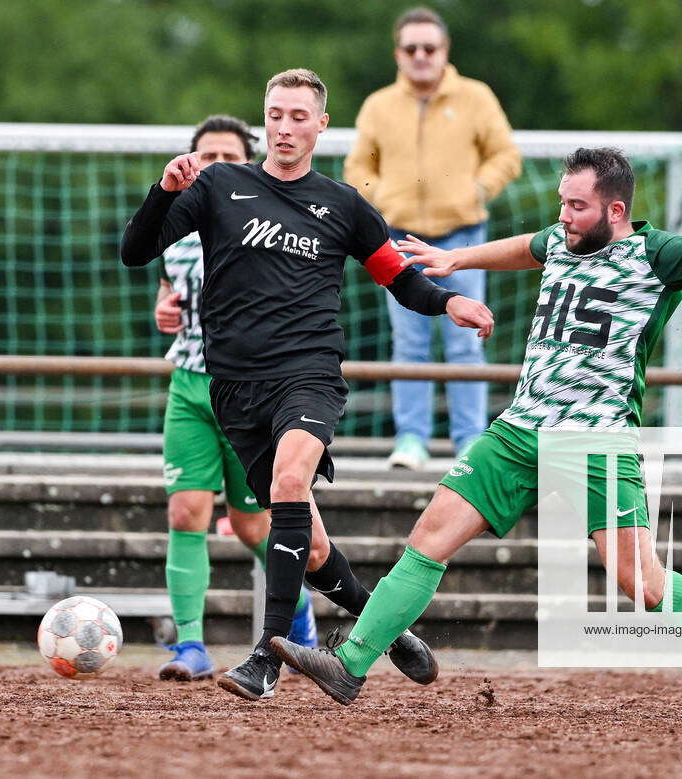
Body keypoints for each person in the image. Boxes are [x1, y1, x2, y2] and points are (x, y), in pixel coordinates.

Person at [271, 148, 682, 715]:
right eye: (561, 203)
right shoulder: (565, 240)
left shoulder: (654, 253)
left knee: (641, 582)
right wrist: (455, 258)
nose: (563, 216)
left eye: (577, 206)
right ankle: (350, 666)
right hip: (519, 431)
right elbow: (526, 248)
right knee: (429, 535)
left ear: (615, 210)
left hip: (595, 440)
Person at [121, 68, 494, 702]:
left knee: (291, 482)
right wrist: (162, 191)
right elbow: (136, 250)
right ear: (263, 119)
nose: (285, 126)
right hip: (234, 386)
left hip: (309, 375)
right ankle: (385, 626)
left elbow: (397, 276)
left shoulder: (342, 203)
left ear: (321, 125)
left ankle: (265, 658)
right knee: (311, 545)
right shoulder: (217, 186)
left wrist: (448, 302)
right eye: (275, 114)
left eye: (299, 116)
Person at [152, 115, 317, 682]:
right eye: (206, 157)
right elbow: (169, 291)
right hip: (190, 388)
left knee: (253, 527)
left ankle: (299, 621)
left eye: (228, 157)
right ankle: (190, 647)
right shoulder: (177, 229)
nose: (215, 166)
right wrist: (164, 310)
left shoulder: (267, 224)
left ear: (247, 163)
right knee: (186, 510)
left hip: (251, 392)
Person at [344, 6, 521, 470]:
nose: (421, 56)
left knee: (466, 342)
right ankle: (411, 441)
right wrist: (381, 196)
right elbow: (358, 167)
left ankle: (469, 442)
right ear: (397, 54)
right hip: (399, 239)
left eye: (430, 47)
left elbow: (506, 155)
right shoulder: (379, 105)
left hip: (462, 237)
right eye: (411, 48)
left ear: (445, 51)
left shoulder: (476, 98)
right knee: (409, 343)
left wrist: (477, 189)